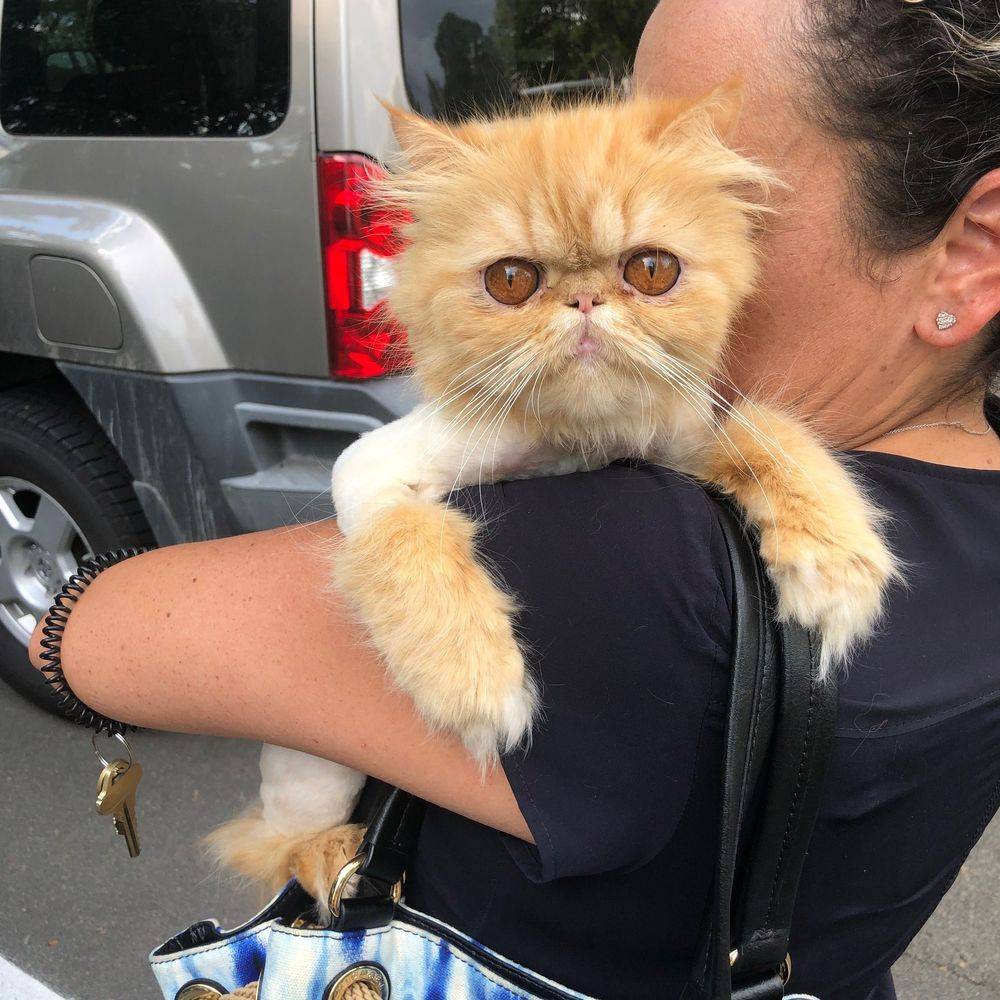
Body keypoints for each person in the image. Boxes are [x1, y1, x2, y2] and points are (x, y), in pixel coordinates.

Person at [29, 1, 1000, 997]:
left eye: (669, 241)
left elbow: (91, 635)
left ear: (970, 252)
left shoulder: (649, 569)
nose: (588, 310)